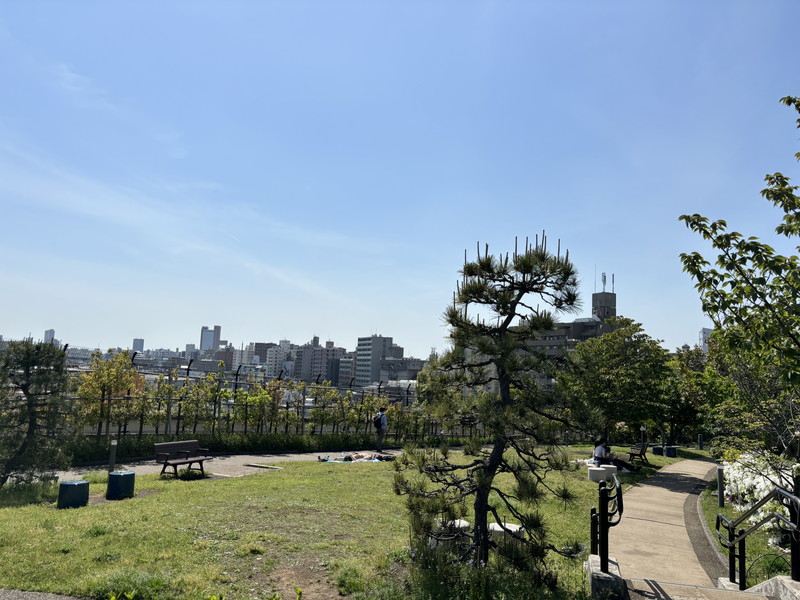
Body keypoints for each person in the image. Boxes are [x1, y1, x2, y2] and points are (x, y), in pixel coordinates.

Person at [318, 452, 394, 462]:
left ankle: (324, 460)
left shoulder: (368, 456)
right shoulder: (367, 454)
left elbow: (359, 460)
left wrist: (352, 457)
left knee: (336, 459)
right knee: (336, 459)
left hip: (350, 458)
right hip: (350, 456)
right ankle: (324, 459)